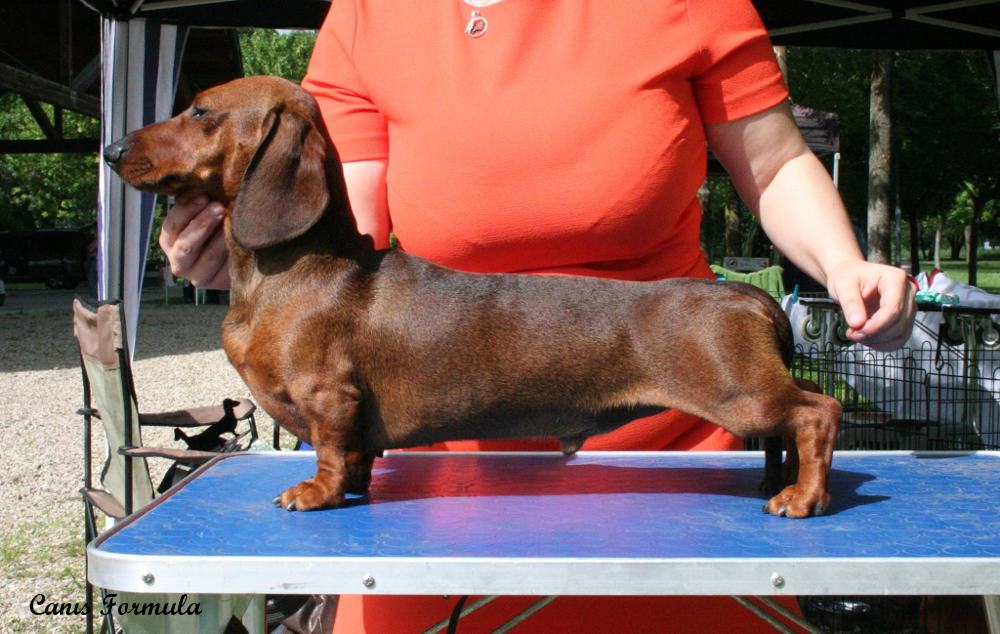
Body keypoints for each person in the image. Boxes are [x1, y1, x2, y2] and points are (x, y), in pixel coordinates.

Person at [160, 0, 916, 630]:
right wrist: (240, 246)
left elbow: (775, 159)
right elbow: (346, 232)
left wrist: (845, 265)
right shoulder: (369, 12)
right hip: (439, 477)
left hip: (679, 467)